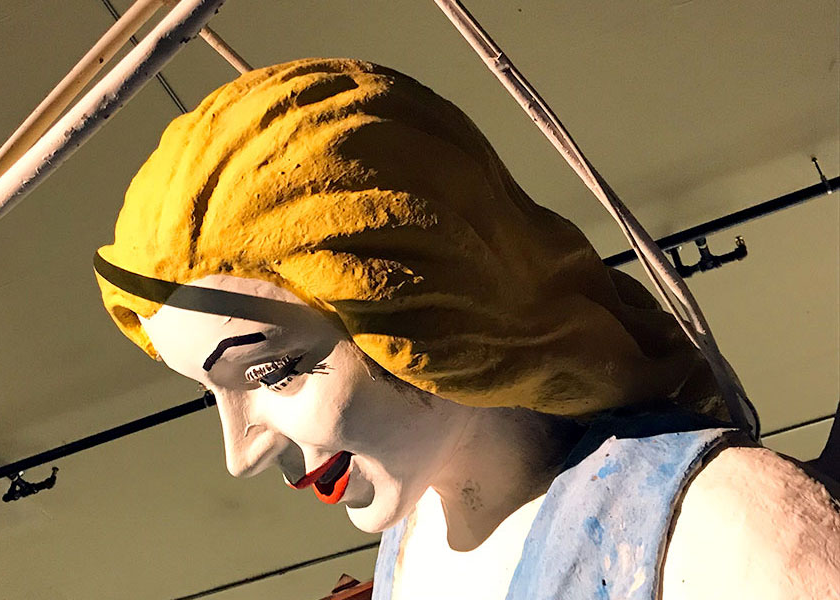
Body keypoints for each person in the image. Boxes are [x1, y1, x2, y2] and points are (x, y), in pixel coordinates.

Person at [94, 58, 839, 599]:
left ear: (424, 304)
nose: (239, 456)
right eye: (208, 394)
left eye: (268, 372)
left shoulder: (715, 530)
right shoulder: (412, 540)